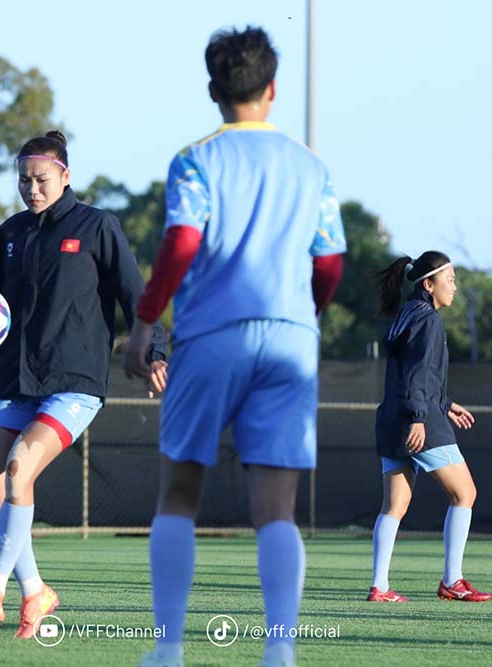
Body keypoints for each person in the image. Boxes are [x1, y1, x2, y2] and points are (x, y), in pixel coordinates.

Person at [123, 27, 346, 667]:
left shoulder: (197, 159)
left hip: (210, 336)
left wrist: (144, 321)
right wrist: (302, 315)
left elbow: (183, 243)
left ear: (214, 91)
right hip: (290, 341)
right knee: (276, 509)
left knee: (179, 494)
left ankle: (167, 651)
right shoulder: (311, 164)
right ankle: (280, 655)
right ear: (272, 89)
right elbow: (328, 263)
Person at [0, 130, 170, 639]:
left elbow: (135, 294)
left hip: (74, 382)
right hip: (18, 379)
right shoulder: (10, 233)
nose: (31, 189)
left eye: (40, 179)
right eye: (23, 180)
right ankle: (36, 590)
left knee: (19, 468)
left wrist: (154, 349)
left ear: (65, 176)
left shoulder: (97, 226)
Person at [367, 251, 487, 603]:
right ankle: (453, 581)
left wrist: (445, 404)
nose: (454, 285)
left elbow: (414, 373)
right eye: (449, 279)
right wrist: (421, 417)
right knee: (465, 494)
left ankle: (380, 587)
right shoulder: (429, 320)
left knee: (394, 506)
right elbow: (417, 374)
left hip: (392, 418)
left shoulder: (408, 314)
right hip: (417, 421)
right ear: (428, 284)